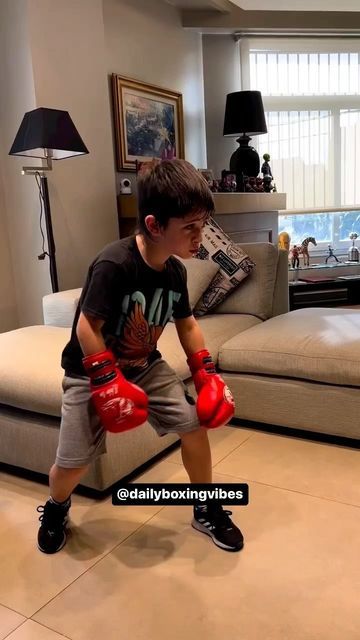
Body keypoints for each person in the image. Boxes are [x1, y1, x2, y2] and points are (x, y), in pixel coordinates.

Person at [36, 159, 244, 555]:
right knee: (72, 463)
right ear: (153, 225)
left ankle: (205, 506)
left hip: (145, 366)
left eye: (203, 225)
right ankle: (56, 508)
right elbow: (86, 327)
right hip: (89, 373)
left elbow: (186, 324)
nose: (201, 237)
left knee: (193, 425)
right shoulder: (114, 264)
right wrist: (105, 379)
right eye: (190, 227)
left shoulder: (174, 272)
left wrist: (204, 371)